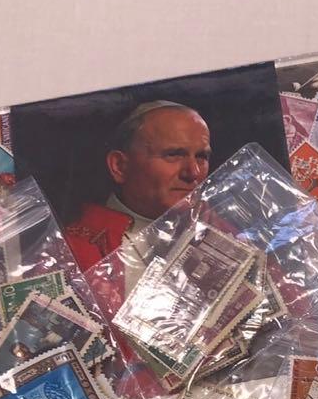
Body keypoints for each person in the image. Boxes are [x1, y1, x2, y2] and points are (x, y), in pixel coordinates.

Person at [64, 101, 212, 272]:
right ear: (120, 166)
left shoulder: (225, 234)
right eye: (173, 155)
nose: (193, 172)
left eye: (201, 157)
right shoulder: (70, 252)